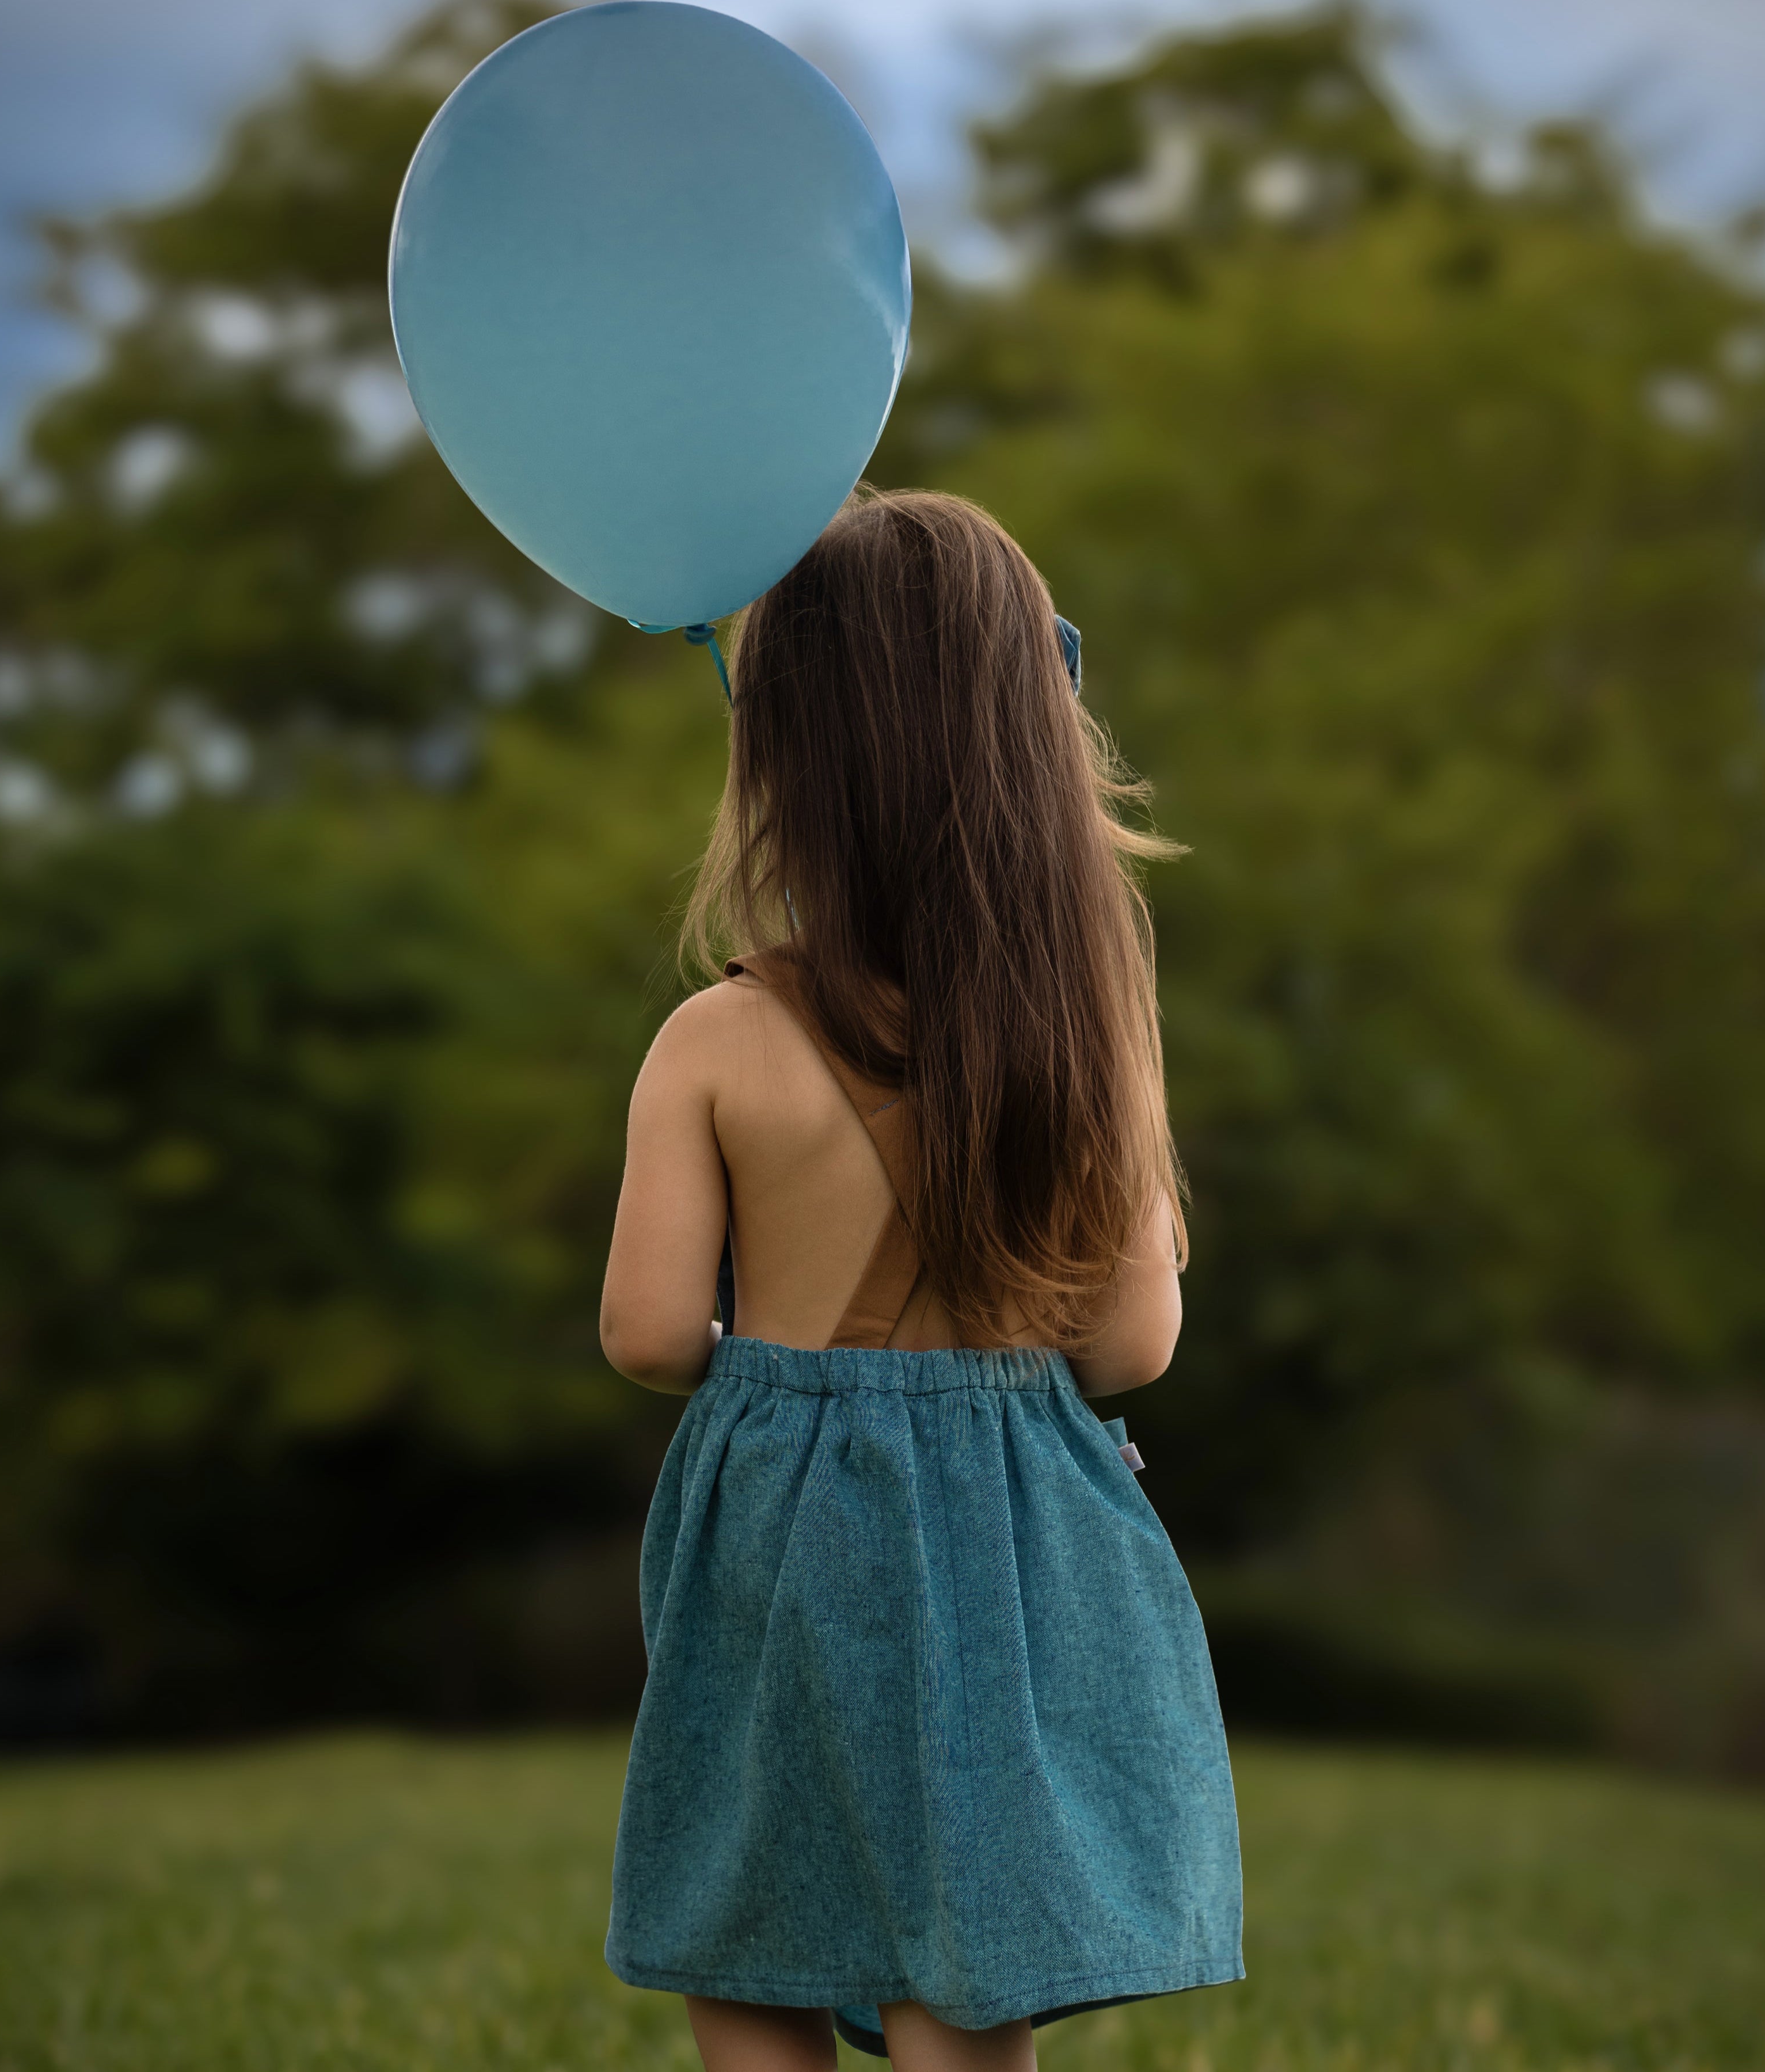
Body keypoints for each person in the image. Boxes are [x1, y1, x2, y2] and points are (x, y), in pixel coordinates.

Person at [599, 488, 1242, 2072]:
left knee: (753, 1908)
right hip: (1016, 1540)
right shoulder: (1081, 1042)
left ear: (786, 763)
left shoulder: (719, 1039)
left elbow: (647, 1332)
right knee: (963, 1952)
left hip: (784, 1541)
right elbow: (1135, 1347)